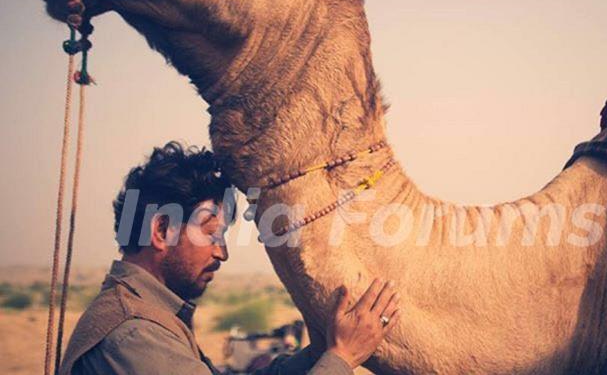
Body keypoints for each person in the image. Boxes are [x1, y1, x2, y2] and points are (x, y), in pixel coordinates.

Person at [59, 142, 400, 375]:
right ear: (161, 231)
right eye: (211, 234)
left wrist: (318, 353)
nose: (222, 252)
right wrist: (342, 358)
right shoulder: (132, 336)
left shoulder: (152, 318)